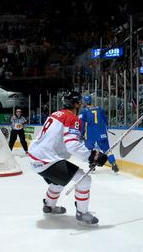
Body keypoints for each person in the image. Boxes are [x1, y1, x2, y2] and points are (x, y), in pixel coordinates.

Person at [27, 91, 108, 225]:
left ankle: (49, 205)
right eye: (80, 102)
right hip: (47, 160)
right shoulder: (72, 118)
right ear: (76, 104)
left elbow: (63, 141)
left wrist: (89, 154)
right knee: (84, 179)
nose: (81, 105)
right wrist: (91, 156)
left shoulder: (55, 114)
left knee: (58, 181)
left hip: (34, 158)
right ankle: (82, 214)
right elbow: (72, 145)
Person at [79, 95, 119, 173]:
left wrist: (81, 134)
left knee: (91, 150)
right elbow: (105, 119)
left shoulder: (84, 111)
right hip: (102, 133)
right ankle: (114, 164)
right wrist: (106, 127)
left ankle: (92, 164)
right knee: (107, 150)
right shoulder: (100, 109)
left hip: (91, 135)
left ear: (84, 102)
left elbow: (82, 125)